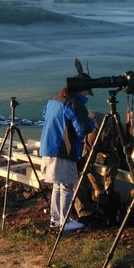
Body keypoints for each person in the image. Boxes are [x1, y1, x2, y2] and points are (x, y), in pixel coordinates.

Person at [40, 87, 88, 231]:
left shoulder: (54, 98)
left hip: (48, 146)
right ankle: (65, 222)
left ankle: (55, 219)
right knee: (66, 186)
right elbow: (81, 129)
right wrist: (90, 124)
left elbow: (45, 114)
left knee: (57, 185)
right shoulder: (73, 104)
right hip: (63, 148)